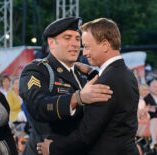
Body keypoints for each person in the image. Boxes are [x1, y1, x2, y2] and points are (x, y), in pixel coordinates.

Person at [38, 18, 140, 155]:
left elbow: (86, 134)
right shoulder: (125, 73)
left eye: (86, 47)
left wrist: (52, 148)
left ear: (104, 45)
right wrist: (93, 73)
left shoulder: (108, 81)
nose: (84, 53)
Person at [19, 17, 113, 155]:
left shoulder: (80, 73)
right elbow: (38, 106)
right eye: (67, 38)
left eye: (77, 38)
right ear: (52, 43)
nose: (75, 44)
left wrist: (93, 72)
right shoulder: (37, 70)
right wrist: (77, 98)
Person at [144, 79, 157, 149]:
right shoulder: (146, 98)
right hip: (152, 118)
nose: (156, 88)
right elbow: (147, 110)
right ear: (150, 87)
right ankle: (154, 142)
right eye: (154, 87)